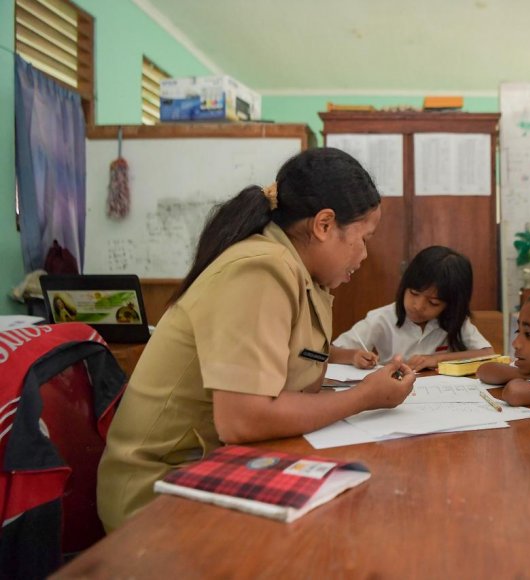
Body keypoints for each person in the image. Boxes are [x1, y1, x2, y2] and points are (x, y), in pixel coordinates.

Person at [97, 148, 415, 531]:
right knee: (353, 527)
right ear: (324, 225)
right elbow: (242, 420)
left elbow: (300, 376)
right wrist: (364, 398)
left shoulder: (301, 273)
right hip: (160, 488)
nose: (364, 254)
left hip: (221, 462)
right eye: (363, 238)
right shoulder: (260, 268)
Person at [330, 245, 493, 371]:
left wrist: (436, 359)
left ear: (451, 305)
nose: (418, 306)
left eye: (433, 303)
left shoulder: (455, 321)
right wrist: (353, 356)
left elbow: (488, 354)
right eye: (414, 293)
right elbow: (330, 352)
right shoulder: (381, 319)